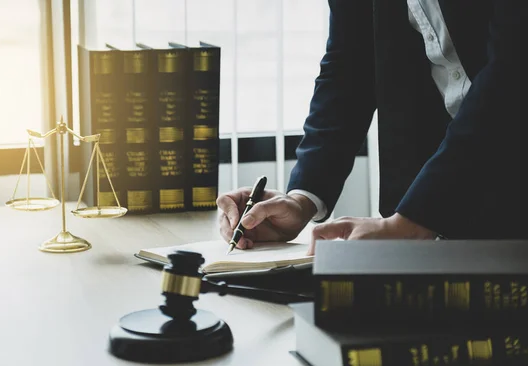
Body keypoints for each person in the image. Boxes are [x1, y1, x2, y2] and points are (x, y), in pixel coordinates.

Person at [217, 0, 528, 255]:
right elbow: (349, 65)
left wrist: (414, 219)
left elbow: (512, 75)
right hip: (439, 217)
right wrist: (302, 198)